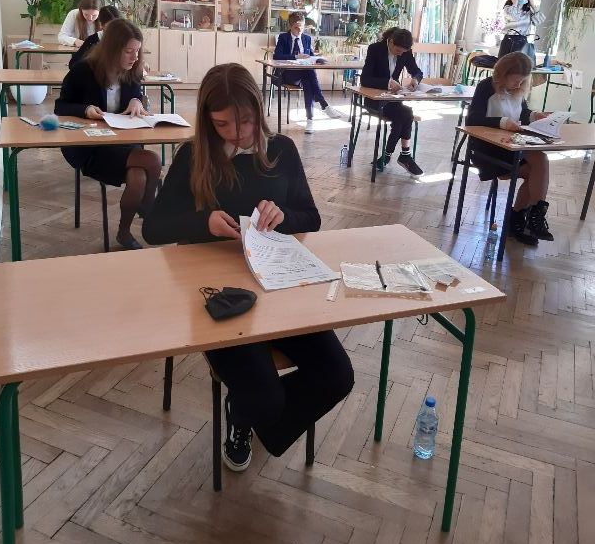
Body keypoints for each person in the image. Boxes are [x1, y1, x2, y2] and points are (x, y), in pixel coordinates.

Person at [142, 63, 354, 472]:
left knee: (337, 376)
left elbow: (310, 217)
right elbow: (153, 229)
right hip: (219, 294)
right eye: (222, 124)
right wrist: (202, 222)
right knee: (265, 395)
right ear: (207, 120)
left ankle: (254, 416)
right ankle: (247, 413)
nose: (237, 133)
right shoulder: (194, 156)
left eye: (244, 121)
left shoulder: (281, 150)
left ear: (258, 109)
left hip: (280, 286)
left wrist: (283, 216)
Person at [55, 19, 162, 251]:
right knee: (153, 160)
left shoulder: (131, 71)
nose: (135, 57)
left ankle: (124, 232)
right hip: (91, 146)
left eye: (137, 51)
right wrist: (85, 110)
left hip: (123, 141)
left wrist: (137, 101)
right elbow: (60, 106)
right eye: (129, 51)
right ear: (112, 49)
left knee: (139, 178)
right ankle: (149, 209)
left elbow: (137, 94)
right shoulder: (83, 71)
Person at [466, 51, 553, 245]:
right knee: (538, 163)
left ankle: (527, 218)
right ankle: (524, 220)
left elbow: (522, 113)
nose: (518, 85)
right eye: (515, 80)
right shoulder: (486, 87)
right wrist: (503, 122)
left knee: (539, 161)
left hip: (511, 147)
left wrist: (535, 116)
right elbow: (472, 120)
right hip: (488, 150)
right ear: (503, 74)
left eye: (522, 81)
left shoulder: (517, 89)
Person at [360, 27, 424, 176]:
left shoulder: (405, 52)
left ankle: (390, 156)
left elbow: (417, 71)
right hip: (374, 99)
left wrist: (415, 79)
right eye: (398, 51)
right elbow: (365, 79)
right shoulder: (375, 49)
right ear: (391, 42)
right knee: (405, 114)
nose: (401, 54)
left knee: (405, 113)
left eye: (403, 52)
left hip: (393, 100)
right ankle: (403, 156)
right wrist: (388, 83)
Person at [273, 11, 342, 134]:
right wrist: (296, 57)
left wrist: (317, 59)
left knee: (308, 81)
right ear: (290, 26)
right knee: (309, 74)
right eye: (296, 27)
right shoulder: (283, 38)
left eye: (302, 27)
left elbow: (310, 56)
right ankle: (323, 104)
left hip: (303, 75)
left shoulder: (307, 38)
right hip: (287, 74)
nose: (300, 30)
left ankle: (310, 120)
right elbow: (277, 56)